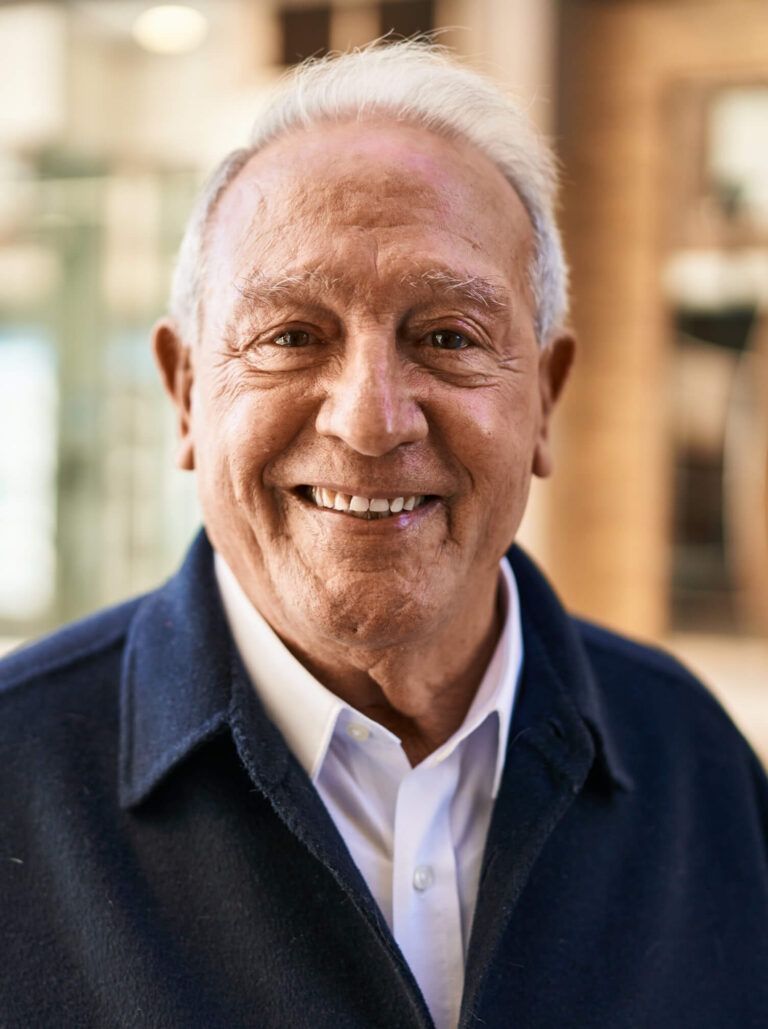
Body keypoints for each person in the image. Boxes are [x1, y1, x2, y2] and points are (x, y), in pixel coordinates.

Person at [1, 42, 766, 1029]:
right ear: (186, 393)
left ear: (545, 398)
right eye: (290, 337)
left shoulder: (697, 766)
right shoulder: (15, 780)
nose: (371, 421)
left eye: (446, 335)